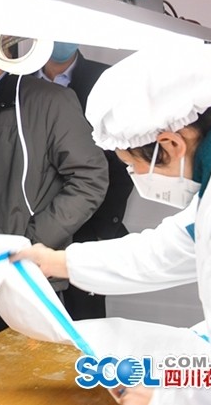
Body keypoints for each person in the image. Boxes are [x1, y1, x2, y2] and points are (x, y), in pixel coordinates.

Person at [14, 43, 211, 405]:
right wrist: (57, 262)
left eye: (133, 165)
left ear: (170, 144)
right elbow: (166, 249)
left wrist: (160, 397)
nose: (135, 175)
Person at [0, 30, 108, 344]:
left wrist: (32, 242)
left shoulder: (49, 100)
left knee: (26, 370)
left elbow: (90, 178)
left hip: (25, 277)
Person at [36, 42, 133, 320]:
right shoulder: (19, 80)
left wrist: (103, 228)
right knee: (30, 324)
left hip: (88, 225)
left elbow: (121, 163)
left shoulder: (107, 80)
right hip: (34, 221)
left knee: (85, 322)